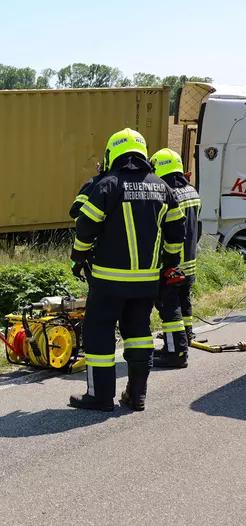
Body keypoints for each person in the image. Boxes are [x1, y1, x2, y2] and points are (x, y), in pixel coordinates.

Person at [70, 129, 185, 411]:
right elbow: (176, 233)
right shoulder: (163, 187)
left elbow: (86, 225)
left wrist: (78, 256)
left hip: (108, 281)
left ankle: (100, 397)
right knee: (139, 335)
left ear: (113, 154)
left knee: (99, 335)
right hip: (146, 283)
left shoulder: (108, 185)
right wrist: (169, 265)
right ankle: (136, 396)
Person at [150, 148, 201, 368]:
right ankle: (187, 335)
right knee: (184, 301)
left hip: (173, 261)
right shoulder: (192, 192)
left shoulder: (168, 195)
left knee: (169, 307)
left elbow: (166, 230)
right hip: (190, 261)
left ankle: (175, 348)